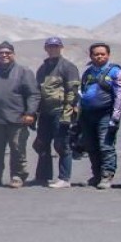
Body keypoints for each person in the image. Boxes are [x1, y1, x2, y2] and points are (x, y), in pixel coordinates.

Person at [0, 42, 39, 188]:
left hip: (18, 119)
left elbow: (34, 94)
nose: (4, 55)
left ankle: (18, 176)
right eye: (1, 53)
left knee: (17, 149)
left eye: (7, 52)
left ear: (13, 54)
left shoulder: (24, 72)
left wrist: (30, 113)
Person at [76, 42, 121, 190]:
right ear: (91, 56)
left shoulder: (116, 72)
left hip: (106, 114)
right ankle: (96, 175)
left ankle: (107, 175)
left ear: (108, 55)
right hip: (87, 115)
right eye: (96, 54)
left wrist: (116, 117)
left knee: (105, 146)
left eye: (102, 54)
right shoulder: (88, 73)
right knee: (91, 146)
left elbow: (120, 96)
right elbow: (83, 92)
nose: (99, 56)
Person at [34, 37, 80, 188]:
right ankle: (43, 176)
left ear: (61, 48)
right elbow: (37, 91)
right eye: (50, 46)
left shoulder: (68, 67)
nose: (53, 49)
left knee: (62, 145)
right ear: (46, 49)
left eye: (55, 46)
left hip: (60, 111)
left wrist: (67, 114)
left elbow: (72, 92)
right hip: (45, 112)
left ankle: (64, 178)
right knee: (42, 144)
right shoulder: (43, 68)